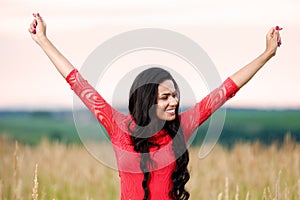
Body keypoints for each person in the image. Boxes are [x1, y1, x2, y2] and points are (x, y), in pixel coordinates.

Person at [28, 13, 282, 200]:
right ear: (147, 101)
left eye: (175, 95)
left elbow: (226, 89)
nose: (174, 102)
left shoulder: (182, 126)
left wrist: (266, 54)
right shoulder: (118, 126)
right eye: (165, 97)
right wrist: (42, 40)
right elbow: (77, 82)